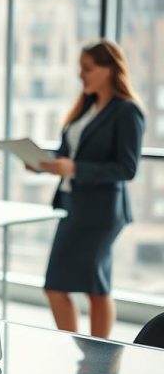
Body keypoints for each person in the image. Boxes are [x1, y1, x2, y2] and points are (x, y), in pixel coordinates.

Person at [40, 40, 144, 339]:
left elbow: (127, 169)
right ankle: (76, 349)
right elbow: (67, 153)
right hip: (72, 205)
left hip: (102, 212)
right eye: (80, 68)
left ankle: (98, 357)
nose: (81, 75)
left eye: (88, 68)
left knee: (95, 286)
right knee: (56, 285)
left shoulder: (127, 112)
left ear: (110, 69)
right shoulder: (85, 107)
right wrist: (42, 163)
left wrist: (75, 169)